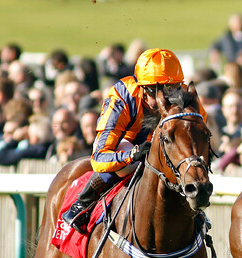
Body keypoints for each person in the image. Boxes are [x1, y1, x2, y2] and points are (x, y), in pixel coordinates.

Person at [61, 48, 205, 233]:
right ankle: (83, 204)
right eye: (156, 90)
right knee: (124, 154)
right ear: (143, 88)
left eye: (171, 88)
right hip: (129, 145)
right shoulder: (122, 96)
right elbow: (98, 158)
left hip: (166, 150)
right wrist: (132, 154)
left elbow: (199, 139)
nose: (166, 97)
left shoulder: (185, 96)